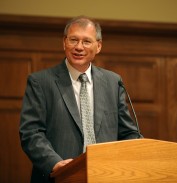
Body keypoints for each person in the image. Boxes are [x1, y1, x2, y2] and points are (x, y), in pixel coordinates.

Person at [19, 16, 143, 183]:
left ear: (98, 46)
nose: (79, 47)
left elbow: (128, 133)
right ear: (64, 42)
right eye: (73, 40)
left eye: (86, 41)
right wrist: (54, 163)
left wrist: (145, 152)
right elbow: (31, 133)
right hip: (59, 177)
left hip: (105, 176)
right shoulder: (40, 82)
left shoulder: (113, 82)